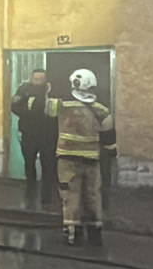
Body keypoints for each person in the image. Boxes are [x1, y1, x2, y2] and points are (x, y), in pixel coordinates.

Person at [45, 69, 116, 246]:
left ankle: (72, 232)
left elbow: (45, 109)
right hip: (92, 160)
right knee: (92, 194)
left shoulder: (62, 105)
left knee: (70, 195)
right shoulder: (102, 110)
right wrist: (110, 153)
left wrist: (49, 90)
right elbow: (109, 138)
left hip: (67, 159)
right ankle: (95, 232)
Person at [10, 69, 58, 206]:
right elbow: (14, 106)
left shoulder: (51, 89)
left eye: (40, 79)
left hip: (47, 133)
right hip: (29, 132)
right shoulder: (24, 89)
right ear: (31, 78)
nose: (37, 82)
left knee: (48, 163)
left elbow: (58, 109)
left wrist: (48, 96)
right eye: (35, 79)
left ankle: (47, 193)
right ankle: (30, 189)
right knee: (29, 161)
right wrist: (28, 114)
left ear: (45, 79)